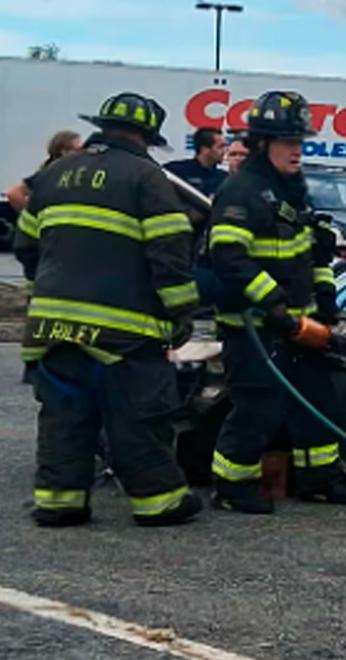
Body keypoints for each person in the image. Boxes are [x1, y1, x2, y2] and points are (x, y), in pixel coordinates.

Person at [14, 92, 203, 527]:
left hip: (52, 331)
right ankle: (160, 502)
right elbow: (169, 255)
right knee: (139, 415)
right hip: (122, 334)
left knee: (64, 416)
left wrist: (43, 297)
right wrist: (180, 315)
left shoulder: (53, 174)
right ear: (145, 137)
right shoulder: (146, 178)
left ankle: (60, 502)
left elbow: (26, 246)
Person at [206, 90, 346, 514]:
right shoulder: (242, 192)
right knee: (258, 406)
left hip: (299, 324)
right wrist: (272, 302)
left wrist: (326, 294)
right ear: (262, 143)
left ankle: (320, 478)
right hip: (254, 327)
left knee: (317, 399)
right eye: (288, 142)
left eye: (300, 141)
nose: (298, 150)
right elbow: (227, 257)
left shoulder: (292, 191)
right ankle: (232, 486)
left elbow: (309, 253)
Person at [4, 130, 83, 212]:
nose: (83, 154)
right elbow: (13, 193)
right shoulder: (50, 173)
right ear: (63, 152)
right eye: (78, 150)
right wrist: (32, 216)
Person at [165, 127, 228, 197]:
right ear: (204, 149)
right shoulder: (175, 171)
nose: (224, 151)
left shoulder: (224, 177)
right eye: (220, 147)